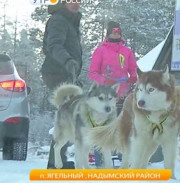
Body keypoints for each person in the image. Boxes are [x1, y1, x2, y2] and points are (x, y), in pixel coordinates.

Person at [41, 1, 83, 169]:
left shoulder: (70, 20)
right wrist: (68, 61)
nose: (76, 3)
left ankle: (57, 161)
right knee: (66, 115)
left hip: (65, 73)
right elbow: (53, 45)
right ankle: (55, 163)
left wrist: (73, 70)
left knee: (68, 115)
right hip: (56, 73)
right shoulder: (59, 19)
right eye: (72, 0)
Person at [88, 21, 137, 103]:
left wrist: (133, 76)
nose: (116, 34)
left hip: (124, 93)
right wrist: (104, 80)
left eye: (118, 32)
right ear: (108, 34)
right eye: (113, 32)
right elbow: (92, 72)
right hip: (105, 93)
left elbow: (133, 68)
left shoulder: (127, 51)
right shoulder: (100, 50)